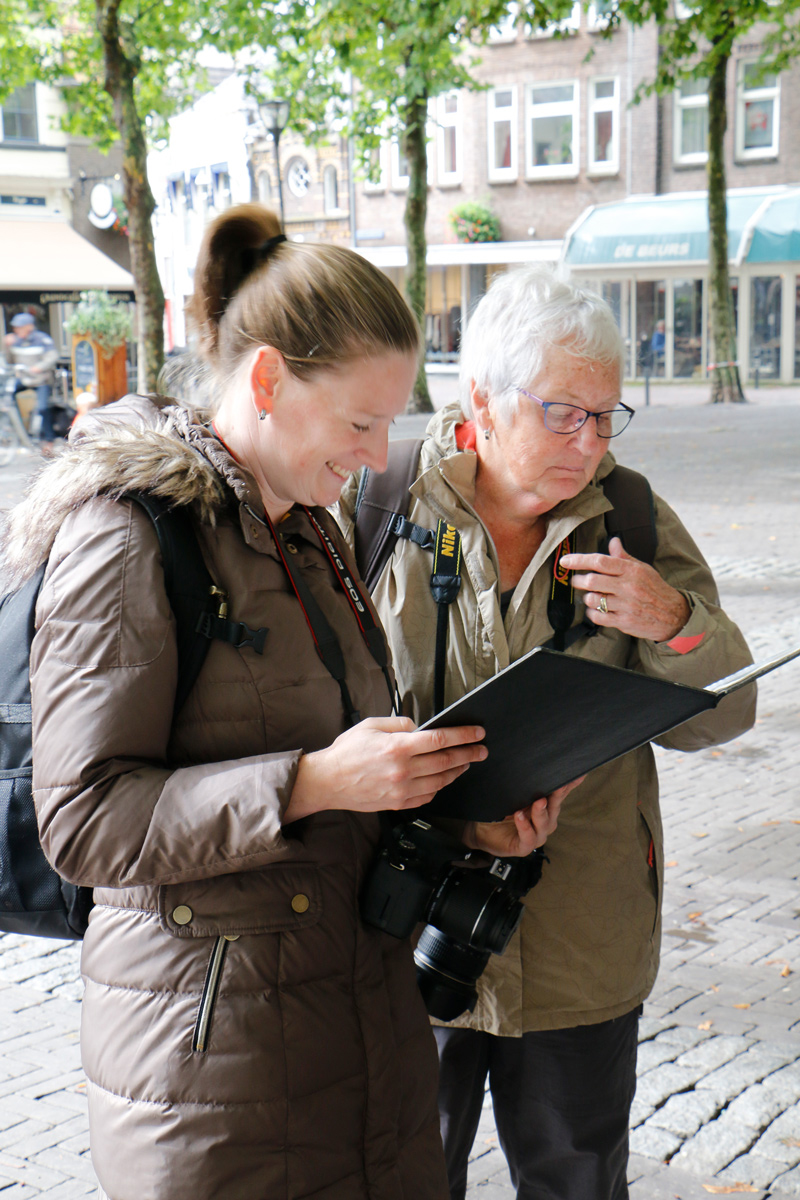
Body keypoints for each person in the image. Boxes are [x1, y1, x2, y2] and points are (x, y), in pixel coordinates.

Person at [0, 205, 569, 1200]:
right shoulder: (126, 538)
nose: (375, 452)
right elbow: (84, 824)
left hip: (359, 1040)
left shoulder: (309, 529)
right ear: (266, 379)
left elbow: (342, 781)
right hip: (214, 1076)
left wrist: (467, 827)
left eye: (388, 421)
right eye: (358, 421)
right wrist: (309, 782)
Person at [337, 266, 757, 1200]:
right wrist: (452, 822)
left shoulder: (632, 518)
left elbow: (727, 710)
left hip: (582, 945)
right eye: (565, 413)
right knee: (397, 1177)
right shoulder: (377, 507)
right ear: (482, 400)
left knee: (577, 1183)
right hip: (408, 928)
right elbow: (314, 720)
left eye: (608, 416)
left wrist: (672, 621)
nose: (591, 441)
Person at [3, 312, 59, 452]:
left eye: (19, 327)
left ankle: (48, 439)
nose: (16, 331)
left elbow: (52, 357)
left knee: (42, 408)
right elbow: (9, 361)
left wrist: (38, 368)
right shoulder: (15, 341)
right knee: (6, 396)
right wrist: (6, 346)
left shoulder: (42, 339)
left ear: (29, 327)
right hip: (23, 378)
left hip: (41, 380)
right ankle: (18, 430)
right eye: (15, 328)